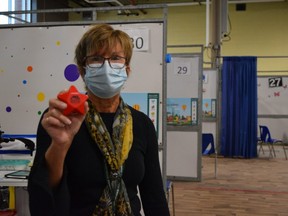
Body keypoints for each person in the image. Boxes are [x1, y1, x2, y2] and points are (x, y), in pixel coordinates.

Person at [28, 23, 170, 216]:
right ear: (82, 69)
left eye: (115, 58)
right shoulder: (61, 119)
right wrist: (60, 146)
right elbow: (43, 196)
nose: (106, 66)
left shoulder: (142, 124)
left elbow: (154, 195)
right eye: (96, 58)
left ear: (127, 69)